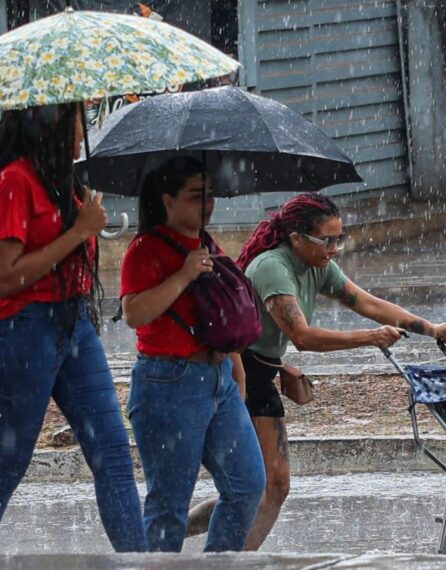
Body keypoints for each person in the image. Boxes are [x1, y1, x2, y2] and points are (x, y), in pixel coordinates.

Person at [186, 192, 446, 549]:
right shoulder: (274, 267)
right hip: (237, 375)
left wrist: (431, 328)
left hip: (262, 373)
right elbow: (302, 336)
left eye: (339, 239)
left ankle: (206, 543)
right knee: (262, 486)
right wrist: (371, 338)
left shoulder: (318, 266)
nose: (334, 248)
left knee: (267, 486)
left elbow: (366, 301)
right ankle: (221, 552)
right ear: (297, 238)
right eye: (327, 240)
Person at [0, 103, 146, 551]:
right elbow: (6, 276)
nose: (84, 130)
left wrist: (83, 224)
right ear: (53, 124)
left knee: (114, 454)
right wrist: (78, 232)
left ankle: (141, 563)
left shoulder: (63, 180)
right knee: (9, 461)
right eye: (78, 119)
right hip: (25, 330)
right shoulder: (15, 181)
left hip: (74, 323)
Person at [119, 156, 265, 552]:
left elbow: (219, 321)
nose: (207, 205)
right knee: (168, 509)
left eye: (211, 195)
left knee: (249, 485)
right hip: (169, 384)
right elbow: (134, 314)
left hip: (219, 380)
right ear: (167, 200)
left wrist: (236, 370)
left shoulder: (206, 243)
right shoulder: (145, 248)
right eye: (196, 196)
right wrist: (183, 275)